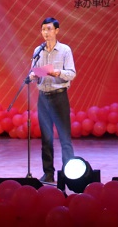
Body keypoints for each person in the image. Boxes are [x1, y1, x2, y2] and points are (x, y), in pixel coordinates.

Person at [30, 17, 77, 183]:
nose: (46, 32)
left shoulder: (65, 50)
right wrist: (34, 75)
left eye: (49, 29)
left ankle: (68, 175)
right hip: (43, 98)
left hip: (59, 96)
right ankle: (48, 173)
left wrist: (58, 72)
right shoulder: (38, 50)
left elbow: (72, 73)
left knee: (65, 138)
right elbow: (33, 72)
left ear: (57, 31)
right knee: (46, 139)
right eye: (43, 29)